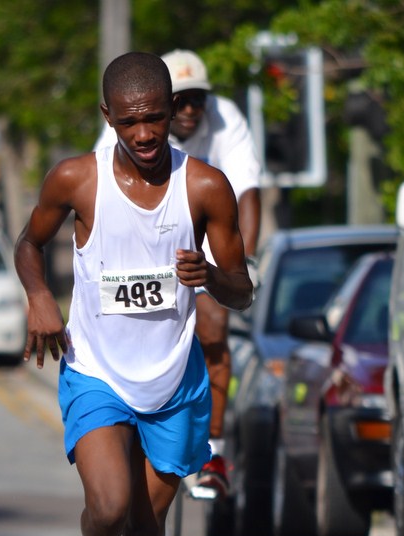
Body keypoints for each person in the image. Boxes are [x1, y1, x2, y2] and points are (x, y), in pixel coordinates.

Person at [14, 51, 252, 536]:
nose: (144, 134)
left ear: (172, 112)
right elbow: (29, 244)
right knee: (111, 507)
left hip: (174, 383)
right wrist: (40, 298)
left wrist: (210, 277)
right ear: (107, 117)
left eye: (155, 119)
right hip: (96, 371)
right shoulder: (77, 179)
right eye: (129, 122)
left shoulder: (205, 186)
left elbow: (242, 289)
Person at [95, 49, 262, 496]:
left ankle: (215, 451)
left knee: (214, 328)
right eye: (182, 100)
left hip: (203, 242)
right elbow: (99, 195)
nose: (189, 111)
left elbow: (247, 193)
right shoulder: (133, 112)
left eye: (197, 100)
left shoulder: (227, 119)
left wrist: (242, 264)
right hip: (137, 245)